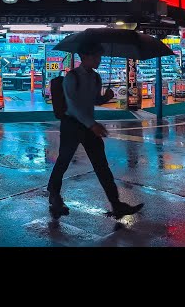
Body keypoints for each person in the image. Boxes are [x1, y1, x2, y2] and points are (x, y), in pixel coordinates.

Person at [47, 41, 144, 219]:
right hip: (72, 124)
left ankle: (116, 204)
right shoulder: (72, 77)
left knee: (101, 165)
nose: (99, 59)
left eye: (99, 56)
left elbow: (93, 101)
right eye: (95, 56)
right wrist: (92, 124)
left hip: (89, 124)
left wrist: (105, 98)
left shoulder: (96, 77)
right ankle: (54, 195)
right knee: (63, 161)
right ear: (84, 57)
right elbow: (73, 107)